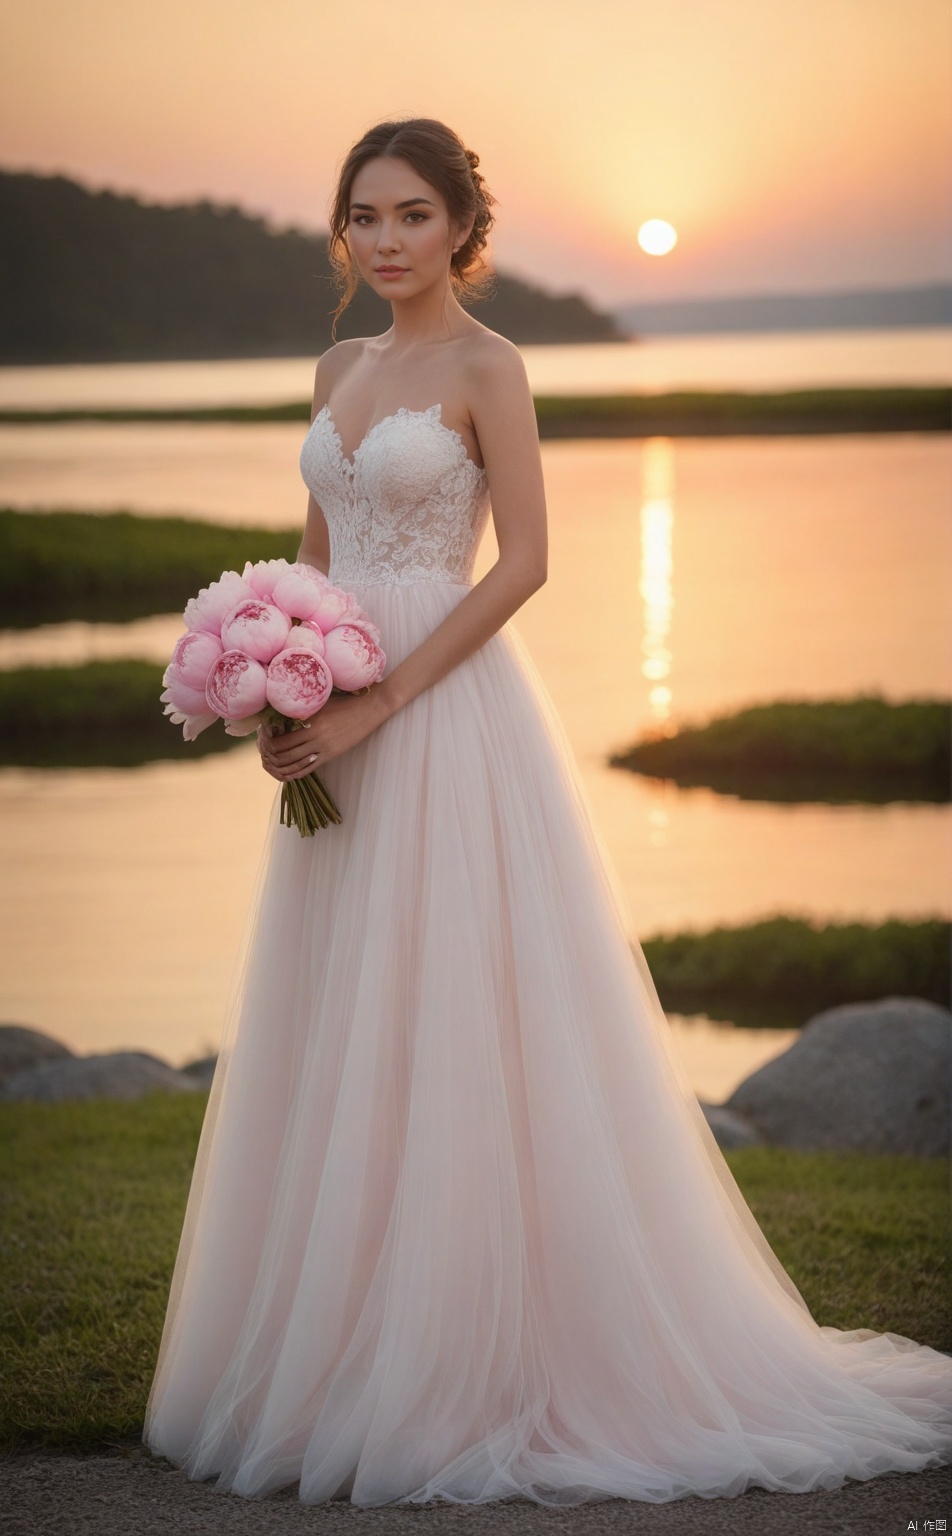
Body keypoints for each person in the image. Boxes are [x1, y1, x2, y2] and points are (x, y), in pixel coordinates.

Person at [143, 116, 952, 1508]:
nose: (385, 241)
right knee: (350, 1016)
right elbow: (316, 556)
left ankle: (478, 1360)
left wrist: (377, 701)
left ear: (463, 225)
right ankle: (339, 1351)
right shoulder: (338, 366)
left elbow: (525, 565)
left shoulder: (489, 367)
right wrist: (275, 677)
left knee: (463, 1007)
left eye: (410, 215)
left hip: (440, 713)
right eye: (363, 218)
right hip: (331, 706)